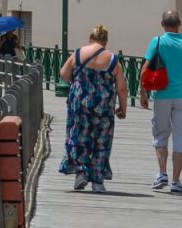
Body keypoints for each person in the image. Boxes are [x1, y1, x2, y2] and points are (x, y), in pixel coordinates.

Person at [58, 24, 128, 193]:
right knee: (101, 139)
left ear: (90, 39)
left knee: (79, 136)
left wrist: (78, 82)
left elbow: (64, 74)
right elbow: (122, 88)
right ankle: (97, 180)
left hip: (80, 102)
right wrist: (122, 108)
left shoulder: (77, 53)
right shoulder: (113, 59)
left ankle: (81, 172)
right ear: (105, 41)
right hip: (103, 105)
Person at [141, 10, 182, 193]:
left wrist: (143, 93)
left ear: (162, 23)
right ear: (179, 23)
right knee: (180, 139)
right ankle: (175, 181)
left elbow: (145, 69)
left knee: (160, 134)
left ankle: (162, 173)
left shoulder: (157, 41)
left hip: (163, 95)